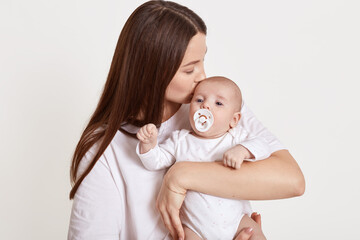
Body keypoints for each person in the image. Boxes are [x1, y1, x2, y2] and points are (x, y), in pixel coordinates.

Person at [68, 1, 305, 240]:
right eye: (190, 70)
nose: (203, 76)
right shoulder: (104, 151)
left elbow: (292, 180)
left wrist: (180, 175)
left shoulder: (219, 106)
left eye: (202, 61)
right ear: (152, 71)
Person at [136, 76, 270, 239]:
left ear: (234, 120)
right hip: (195, 227)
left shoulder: (235, 138)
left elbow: (264, 145)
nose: (205, 105)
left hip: (236, 222)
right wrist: (149, 144)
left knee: (255, 234)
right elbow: (155, 162)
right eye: (199, 100)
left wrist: (243, 150)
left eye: (218, 103)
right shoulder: (180, 140)